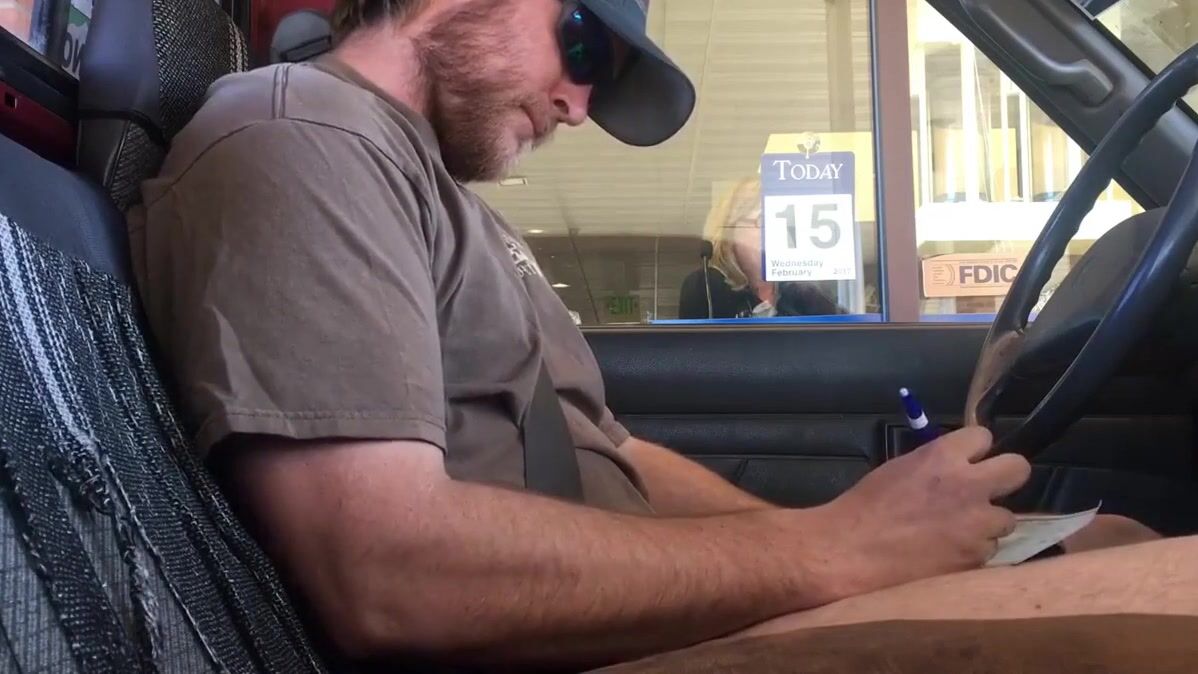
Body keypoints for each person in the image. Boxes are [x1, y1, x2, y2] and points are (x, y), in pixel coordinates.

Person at [127, 0, 1181, 671]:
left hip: (628, 624)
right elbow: (387, 573)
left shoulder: (444, 203)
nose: (578, 105)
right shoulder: (300, 137)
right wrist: (829, 553)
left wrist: (858, 547)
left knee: (1121, 540)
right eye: (582, 43)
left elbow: (612, 449)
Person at [678, 176, 845, 319]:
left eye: (781, 220)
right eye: (763, 219)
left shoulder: (803, 293)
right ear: (730, 230)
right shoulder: (706, 287)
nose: (776, 229)